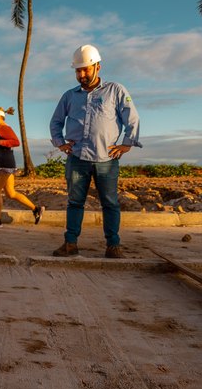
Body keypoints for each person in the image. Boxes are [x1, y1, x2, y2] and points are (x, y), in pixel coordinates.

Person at [49, 44, 142, 258]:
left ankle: (113, 245)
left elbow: (132, 118)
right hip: (77, 158)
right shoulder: (69, 96)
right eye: (78, 70)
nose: (81, 74)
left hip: (106, 159)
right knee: (74, 202)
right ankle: (70, 244)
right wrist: (60, 143)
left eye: (85, 69)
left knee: (110, 202)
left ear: (97, 67)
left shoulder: (115, 91)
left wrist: (127, 143)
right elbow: (55, 122)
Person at [0, 106, 44, 227]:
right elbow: (2, 143)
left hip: (4, 164)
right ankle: (36, 209)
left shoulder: (4, 128)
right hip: (6, 163)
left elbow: (15, 142)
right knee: (11, 193)